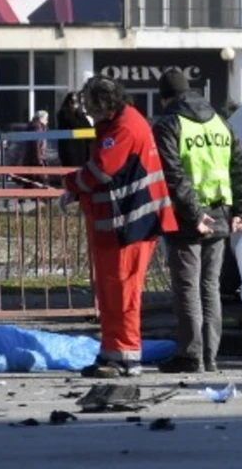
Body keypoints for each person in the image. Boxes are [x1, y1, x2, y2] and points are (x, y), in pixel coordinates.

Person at [60, 77, 176, 378]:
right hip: (120, 224)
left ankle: (125, 357)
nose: (89, 113)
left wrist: (70, 183)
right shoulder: (122, 122)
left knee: (123, 293)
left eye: (91, 106)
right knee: (112, 292)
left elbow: (101, 169)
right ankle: (112, 354)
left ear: (102, 104)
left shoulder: (123, 127)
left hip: (129, 224)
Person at [152, 69, 242, 374]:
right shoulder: (220, 122)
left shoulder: (169, 123)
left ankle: (190, 356)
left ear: (165, 97)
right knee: (210, 287)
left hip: (188, 218)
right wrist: (241, 210)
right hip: (220, 215)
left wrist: (194, 214)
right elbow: (241, 166)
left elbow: (173, 175)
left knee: (187, 288)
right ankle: (209, 356)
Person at [56, 92, 91, 168]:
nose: (75, 104)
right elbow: (76, 125)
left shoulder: (80, 114)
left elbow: (88, 128)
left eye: (77, 101)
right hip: (70, 148)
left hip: (82, 148)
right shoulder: (65, 113)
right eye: (73, 101)